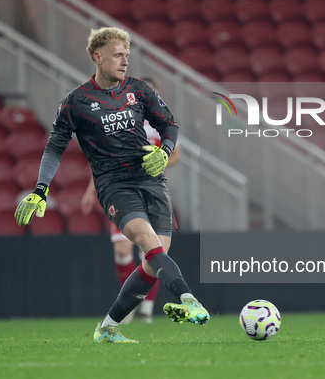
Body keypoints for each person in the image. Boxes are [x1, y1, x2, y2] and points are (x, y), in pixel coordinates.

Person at [14, 27, 209, 344]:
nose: (125, 62)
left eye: (127, 56)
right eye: (118, 55)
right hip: (114, 185)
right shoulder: (76, 102)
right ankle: (189, 299)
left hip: (151, 180)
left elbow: (169, 125)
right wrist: (40, 189)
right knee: (146, 240)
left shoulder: (139, 90)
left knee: (152, 260)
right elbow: (54, 148)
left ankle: (107, 328)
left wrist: (164, 151)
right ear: (98, 56)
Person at [80, 76, 182, 324]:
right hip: (123, 191)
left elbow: (176, 154)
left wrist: (159, 162)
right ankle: (130, 304)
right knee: (122, 248)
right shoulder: (119, 119)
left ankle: (145, 308)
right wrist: (89, 190)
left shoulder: (161, 122)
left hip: (151, 191)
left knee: (151, 252)